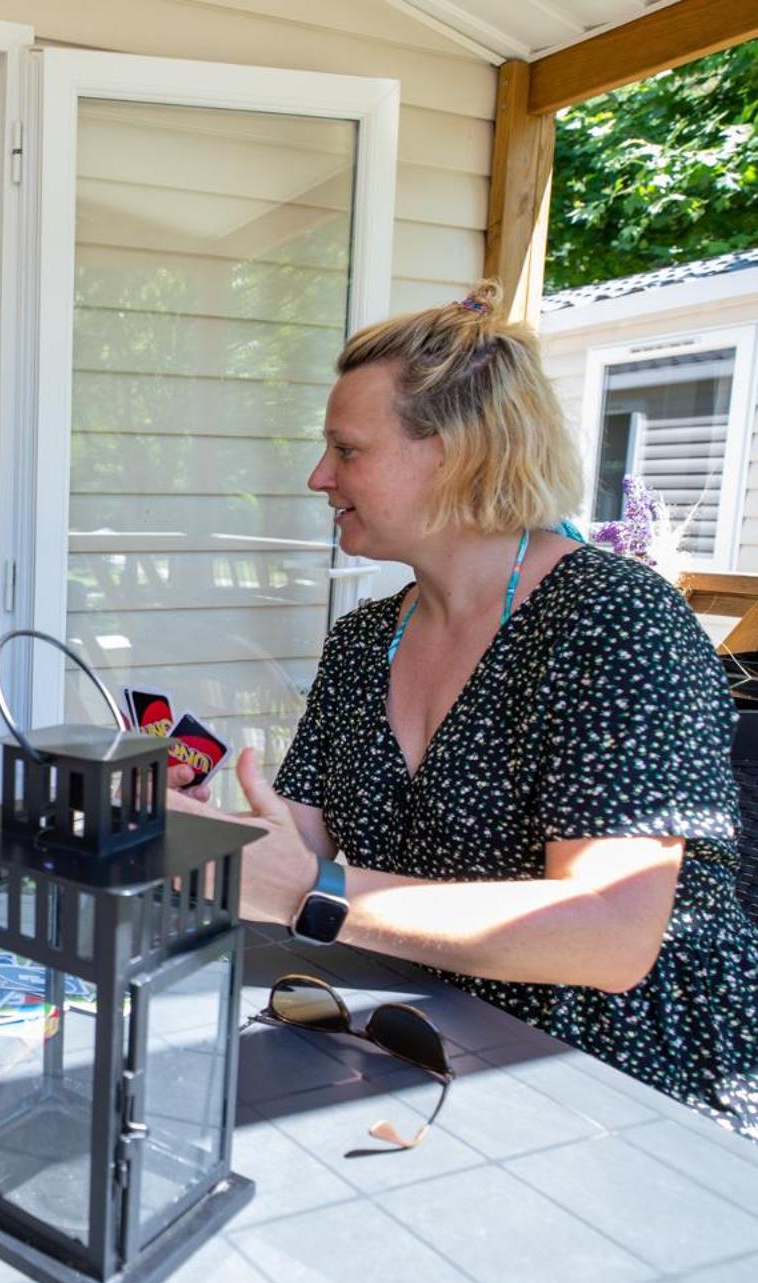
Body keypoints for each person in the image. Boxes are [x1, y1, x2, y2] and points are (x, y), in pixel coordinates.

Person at [180, 283, 758, 1139]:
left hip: (631, 1082)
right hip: (435, 1041)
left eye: (347, 448)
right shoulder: (366, 639)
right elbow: (298, 845)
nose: (319, 476)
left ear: (454, 455)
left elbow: (608, 934)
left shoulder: (613, 620)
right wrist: (194, 828)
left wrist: (312, 889)